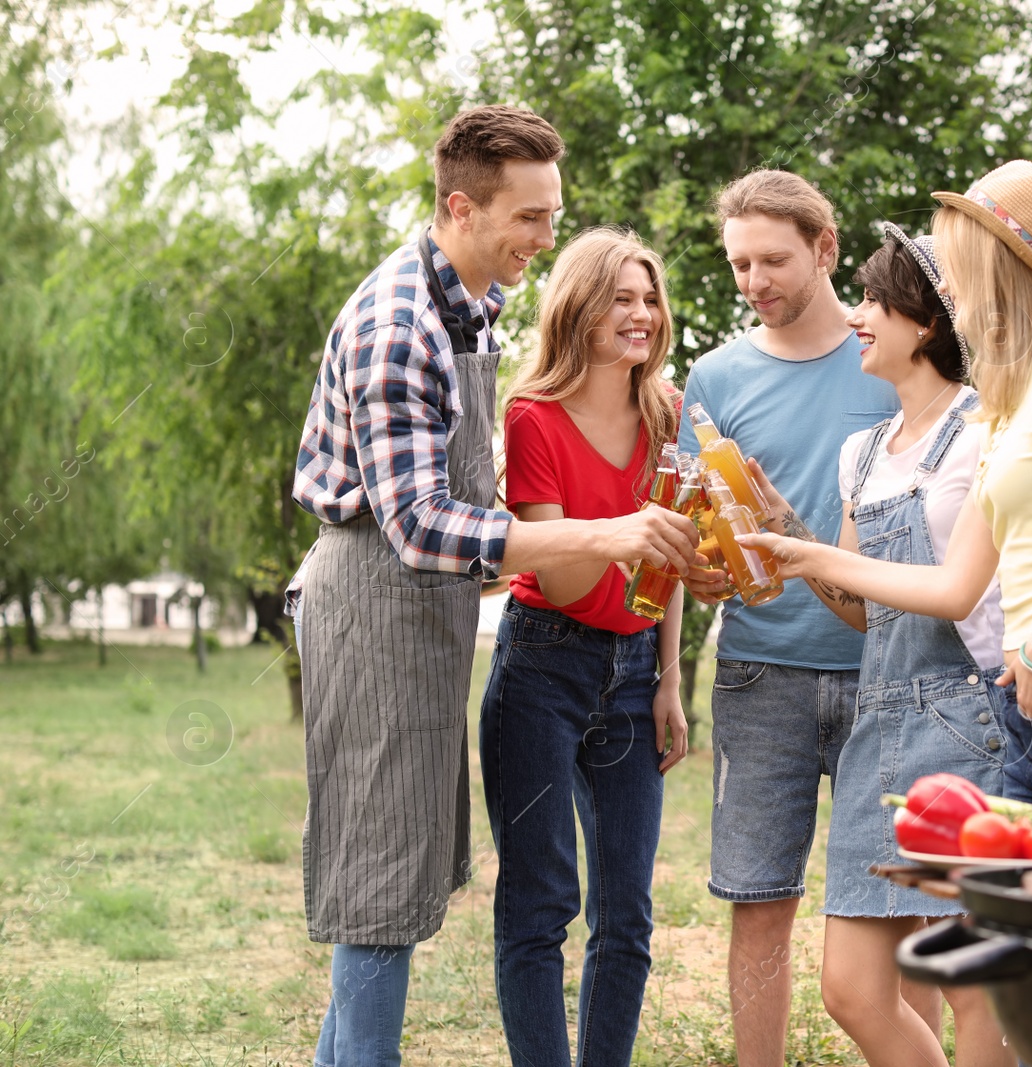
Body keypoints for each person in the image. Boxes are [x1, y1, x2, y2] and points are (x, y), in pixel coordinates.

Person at [285, 107, 698, 1067]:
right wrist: (609, 530)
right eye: (529, 220)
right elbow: (421, 521)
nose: (546, 241)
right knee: (382, 882)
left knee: (401, 873)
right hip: (374, 602)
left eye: (553, 216)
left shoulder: (470, 304)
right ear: (461, 208)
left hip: (425, 611)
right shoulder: (400, 326)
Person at [743, 159, 1032, 827]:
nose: (944, 282)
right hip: (1023, 709)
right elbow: (954, 587)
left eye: (953, 264)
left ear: (993, 266)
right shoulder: (1006, 400)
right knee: (1011, 924)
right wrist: (805, 555)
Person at [747, 226, 1010, 1065]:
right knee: (853, 987)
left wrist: (813, 551)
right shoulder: (860, 456)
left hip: (967, 720)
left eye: (871, 299)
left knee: (974, 983)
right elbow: (863, 608)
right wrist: (780, 528)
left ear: (926, 322)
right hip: (879, 720)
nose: (856, 316)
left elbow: (954, 590)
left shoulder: (985, 434)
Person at [675, 169, 898, 1066]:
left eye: (772, 259)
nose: (753, 281)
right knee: (759, 903)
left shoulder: (891, 356)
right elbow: (702, 535)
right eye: (739, 265)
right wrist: (703, 571)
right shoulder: (716, 376)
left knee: (899, 904)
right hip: (759, 675)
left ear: (825, 249)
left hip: (887, 672)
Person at [478, 226, 690, 1066]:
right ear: (580, 309)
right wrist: (627, 532)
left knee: (627, 913)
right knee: (540, 901)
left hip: (638, 671)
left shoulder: (666, 412)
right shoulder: (532, 416)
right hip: (543, 665)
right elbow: (561, 578)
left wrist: (669, 679)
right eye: (621, 299)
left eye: (649, 298)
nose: (640, 314)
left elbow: (669, 557)